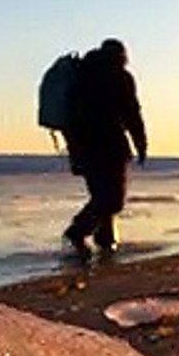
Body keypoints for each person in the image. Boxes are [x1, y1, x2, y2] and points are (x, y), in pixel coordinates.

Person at [62, 38, 148, 258]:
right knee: (112, 198)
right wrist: (141, 143)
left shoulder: (81, 74)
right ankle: (77, 231)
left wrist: (74, 146)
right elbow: (131, 112)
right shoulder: (119, 77)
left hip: (81, 145)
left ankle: (105, 240)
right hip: (110, 144)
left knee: (101, 193)